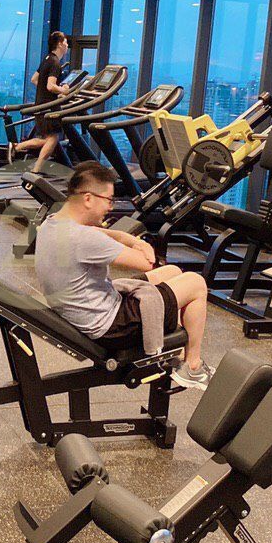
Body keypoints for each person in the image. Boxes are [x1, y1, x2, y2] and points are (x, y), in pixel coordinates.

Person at [35, 160, 211, 389]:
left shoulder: (53, 224)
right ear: (88, 198)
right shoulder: (84, 238)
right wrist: (142, 245)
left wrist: (128, 239)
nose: (110, 207)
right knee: (196, 283)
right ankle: (192, 366)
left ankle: (173, 349)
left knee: (173, 272)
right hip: (111, 327)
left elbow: (104, 234)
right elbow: (147, 262)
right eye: (108, 200)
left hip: (86, 309)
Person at [9, 31, 71, 174]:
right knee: (53, 139)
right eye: (66, 42)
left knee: (48, 139)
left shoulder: (47, 59)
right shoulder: (55, 63)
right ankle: (36, 169)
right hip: (49, 108)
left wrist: (49, 92)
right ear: (60, 44)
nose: (67, 46)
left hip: (41, 105)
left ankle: (17, 147)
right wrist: (63, 90)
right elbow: (50, 86)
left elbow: (34, 79)